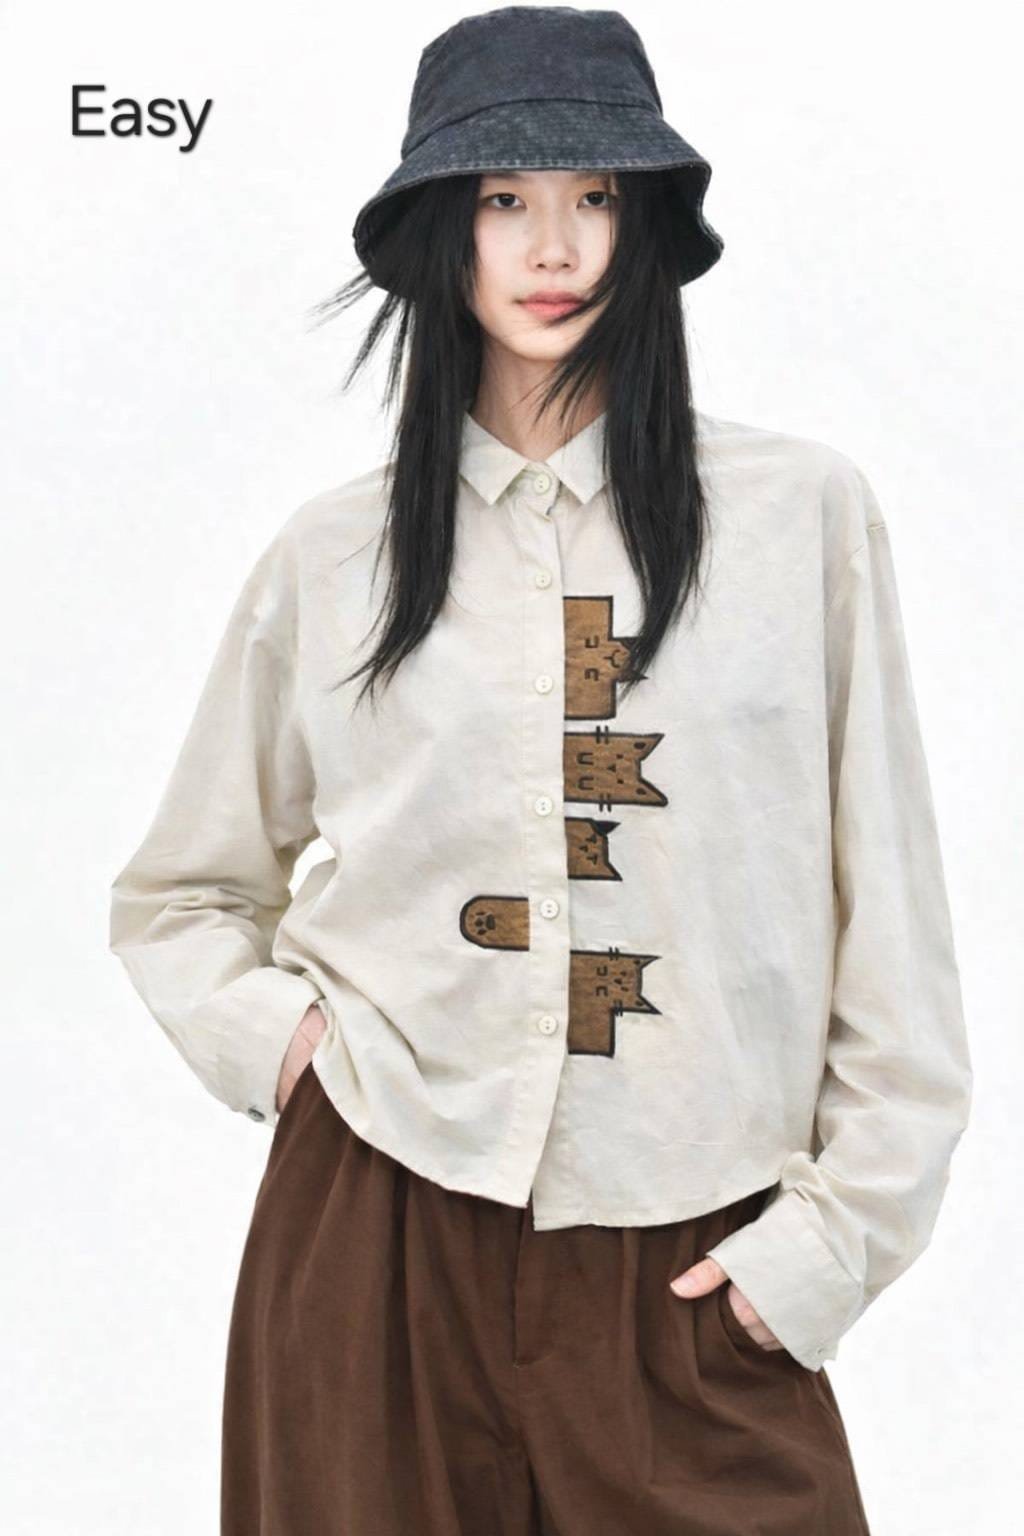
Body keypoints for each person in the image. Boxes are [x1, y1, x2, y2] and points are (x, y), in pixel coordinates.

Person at [107, 8, 972, 1534]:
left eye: (595, 196)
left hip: (693, 1251)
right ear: (445, 228)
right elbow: (180, 895)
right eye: (505, 197)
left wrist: (827, 1248)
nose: (553, 245)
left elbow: (892, 929)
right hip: (379, 1238)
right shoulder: (335, 555)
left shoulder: (803, 523)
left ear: (647, 228)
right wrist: (294, 1057)